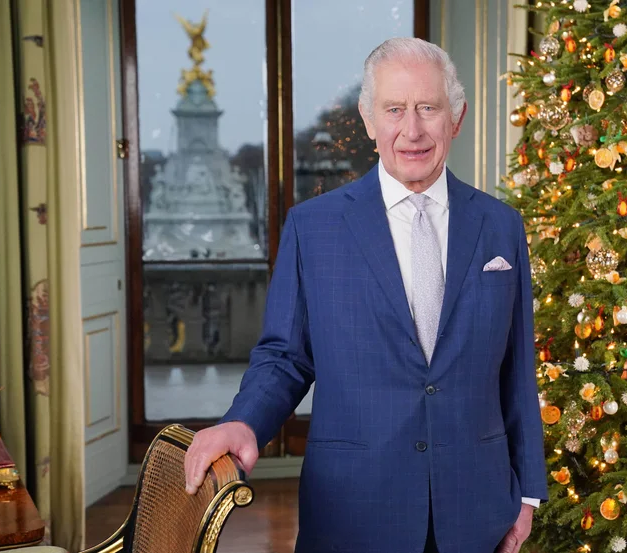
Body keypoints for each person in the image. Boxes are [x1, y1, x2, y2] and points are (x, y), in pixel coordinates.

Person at [183, 37, 548, 553]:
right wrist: (243, 422)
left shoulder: (501, 227)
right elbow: (285, 357)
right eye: (395, 109)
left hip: (477, 508)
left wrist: (528, 492)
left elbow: (517, 368)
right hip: (352, 511)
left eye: (428, 108)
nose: (412, 129)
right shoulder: (314, 227)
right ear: (369, 121)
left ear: (456, 118)